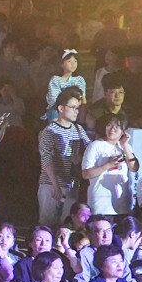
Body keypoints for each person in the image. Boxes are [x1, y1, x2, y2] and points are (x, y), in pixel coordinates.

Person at [38, 86, 91, 226]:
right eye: (72, 107)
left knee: (67, 225)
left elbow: (90, 148)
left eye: (77, 108)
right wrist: (55, 185)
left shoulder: (78, 129)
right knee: (48, 225)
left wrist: (81, 157)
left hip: (72, 184)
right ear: (61, 109)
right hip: (51, 185)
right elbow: (46, 158)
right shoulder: (50, 130)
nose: (76, 111)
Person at [82, 112, 139, 216]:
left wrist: (125, 145)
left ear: (123, 131)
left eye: (117, 126)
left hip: (121, 204)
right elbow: (85, 174)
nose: (112, 129)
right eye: (109, 125)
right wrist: (108, 165)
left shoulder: (126, 147)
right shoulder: (95, 146)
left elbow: (134, 168)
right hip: (100, 204)